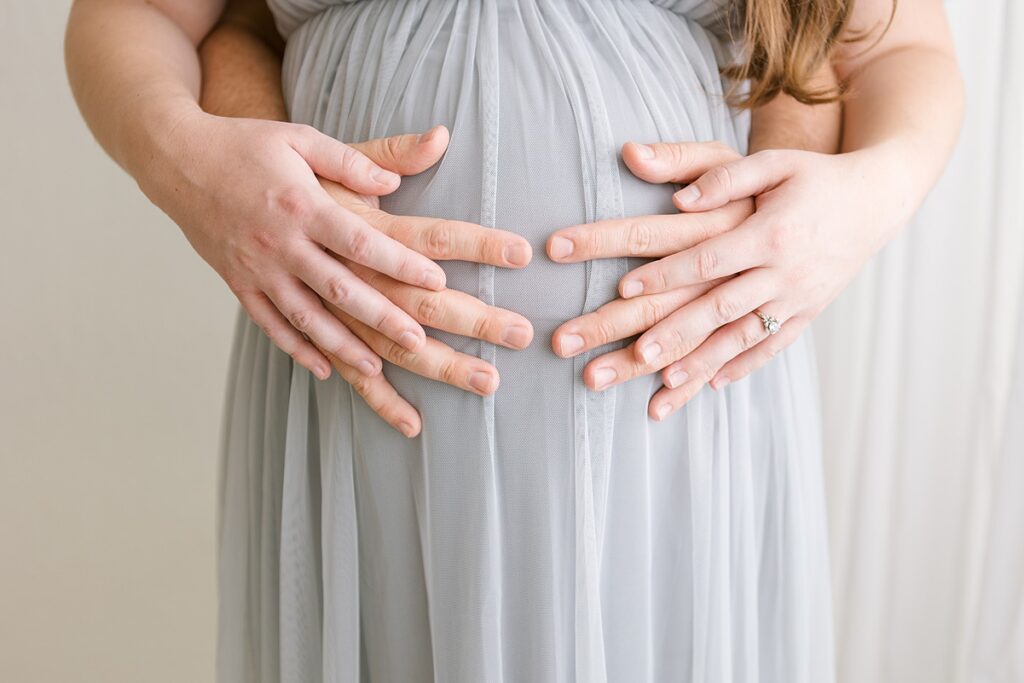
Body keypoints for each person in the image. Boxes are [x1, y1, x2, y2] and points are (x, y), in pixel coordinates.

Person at [64, 0, 963, 680]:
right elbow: (137, 13)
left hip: (681, 388)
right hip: (358, 376)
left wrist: (867, 201)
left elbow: (898, 44)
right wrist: (187, 161)